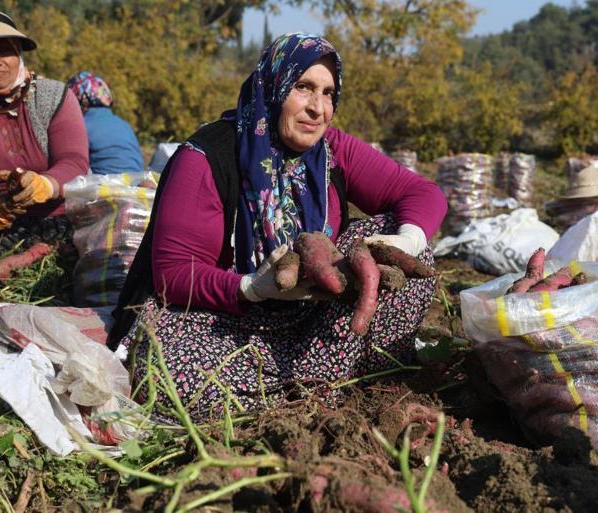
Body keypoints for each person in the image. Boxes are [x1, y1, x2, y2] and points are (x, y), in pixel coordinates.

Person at [110, 32, 448, 420]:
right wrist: (252, 287)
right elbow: (173, 275)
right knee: (170, 371)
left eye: (328, 93)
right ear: (273, 85)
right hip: (228, 322)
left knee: (413, 251)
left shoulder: (332, 149)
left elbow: (423, 193)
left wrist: (406, 240)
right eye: (303, 88)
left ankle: (331, 384)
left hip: (313, 324)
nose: (317, 108)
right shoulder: (206, 156)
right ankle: (323, 390)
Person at [0, 9, 88, 246]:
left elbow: (74, 161)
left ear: (18, 54)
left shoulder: (53, 96)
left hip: (65, 221)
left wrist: (44, 185)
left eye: (4, 50)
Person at [66, 71, 144, 175]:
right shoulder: (124, 125)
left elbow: (69, 164)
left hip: (105, 183)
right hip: (136, 182)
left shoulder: (80, 126)